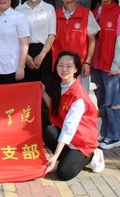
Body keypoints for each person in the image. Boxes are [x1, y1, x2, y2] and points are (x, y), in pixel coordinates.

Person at [43, 51, 105, 180]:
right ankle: (65, 158)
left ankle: (93, 155)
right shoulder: (60, 85)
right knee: (49, 131)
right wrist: (43, 92)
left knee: (64, 173)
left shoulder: (78, 96)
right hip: (69, 137)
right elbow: (55, 109)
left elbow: (68, 129)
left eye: (69, 66)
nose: (64, 69)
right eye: (61, 65)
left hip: (82, 140)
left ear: (76, 69)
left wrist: (55, 156)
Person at [89, 0, 120, 150]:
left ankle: (114, 136)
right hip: (97, 65)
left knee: (113, 102)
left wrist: (115, 64)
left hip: (112, 66)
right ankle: (105, 133)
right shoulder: (94, 11)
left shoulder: (119, 12)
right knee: (102, 101)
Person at [52, 0, 100, 89]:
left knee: (80, 97)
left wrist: (87, 62)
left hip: (80, 67)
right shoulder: (54, 15)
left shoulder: (86, 13)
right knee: (60, 97)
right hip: (60, 67)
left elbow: (92, 40)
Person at [16, 0, 56, 84]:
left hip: (44, 51)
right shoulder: (19, 10)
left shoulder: (49, 8)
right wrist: (25, 57)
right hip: (24, 51)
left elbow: (52, 34)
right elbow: (16, 36)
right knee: (25, 87)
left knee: (43, 86)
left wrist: (41, 55)